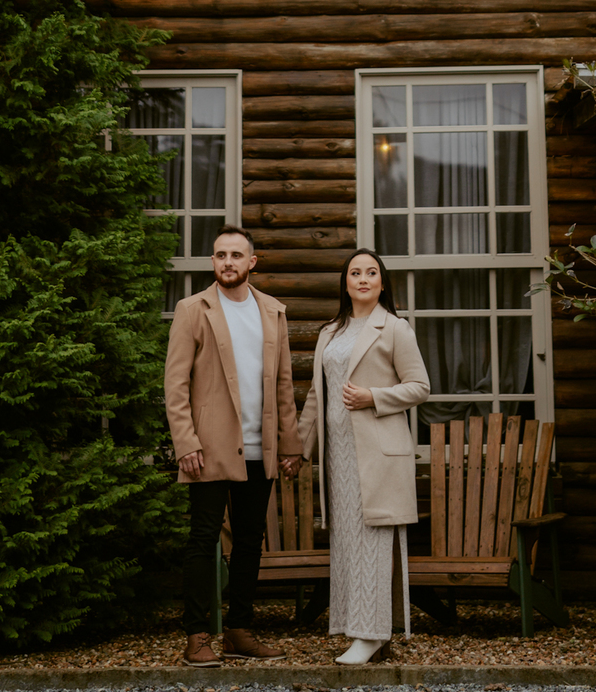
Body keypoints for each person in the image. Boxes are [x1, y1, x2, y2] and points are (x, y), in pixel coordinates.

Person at [164, 226, 303, 666]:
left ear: (251, 262)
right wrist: (185, 440)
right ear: (212, 262)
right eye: (220, 254)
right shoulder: (192, 310)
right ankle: (197, 635)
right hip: (206, 448)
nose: (228, 262)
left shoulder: (272, 312)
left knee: (249, 541)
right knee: (203, 540)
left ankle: (240, 630)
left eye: (236, 255)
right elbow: (175, 384)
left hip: (259, 448)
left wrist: (291, 443)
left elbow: (283, 385)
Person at [298, 248, 430, 665]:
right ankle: (357, 627)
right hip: (337, 456)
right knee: (348, 543)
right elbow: (317, 396)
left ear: (382, 282)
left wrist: (374, 396)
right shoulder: (330, 332)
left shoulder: (394, 328)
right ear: (346, 282)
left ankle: (370, 634)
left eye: (371, 272)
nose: (363, 279)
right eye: (355, 272)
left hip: (377, 453)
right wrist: (297, 449)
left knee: (373, 540)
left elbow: (419, 387)